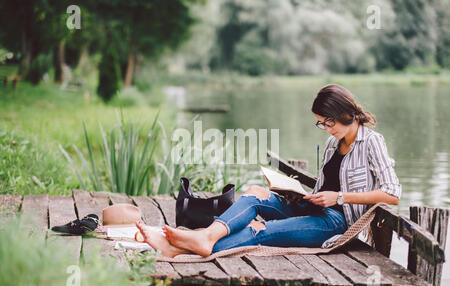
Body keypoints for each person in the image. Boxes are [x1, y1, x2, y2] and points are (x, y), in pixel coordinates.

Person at [136, 84, 402, 258]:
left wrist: (340, 197)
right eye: (321, 124)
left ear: (346, 114)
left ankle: (180, 247)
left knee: (261, 231)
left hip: (335, 223)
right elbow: (324, 189)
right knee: (254, 195)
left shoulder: (372, 142)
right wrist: (300, 195)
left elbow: (392, 194)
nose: (327, 128)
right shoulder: (334, 143)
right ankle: (205, 237)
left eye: (328, 122)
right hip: (315, 209)